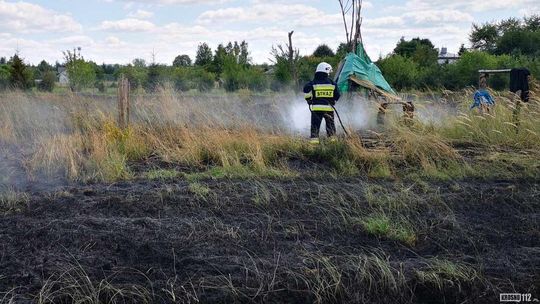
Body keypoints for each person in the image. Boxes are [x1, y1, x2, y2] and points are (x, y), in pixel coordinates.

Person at [303, 62, 341, 144]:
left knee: (315, 127)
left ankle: (314, 145)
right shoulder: (332, 83)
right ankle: (333, 144)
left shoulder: (313, 82)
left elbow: (306, 89)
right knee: (330, 127)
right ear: (326, 71)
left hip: (316, 109)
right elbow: (337, 95)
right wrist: (333, 100)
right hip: (329, 109)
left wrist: (308, 99)